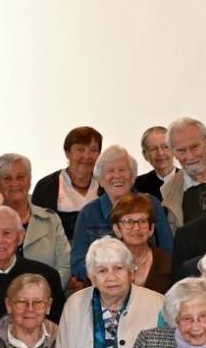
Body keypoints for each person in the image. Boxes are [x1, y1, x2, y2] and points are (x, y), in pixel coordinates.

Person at [71, 146, 175, 284]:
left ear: (133, 177)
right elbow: (78, 263)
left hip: (152, 282)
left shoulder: (152, 204)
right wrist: (106, 276)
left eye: (122, 170)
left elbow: (168, 250)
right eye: (110, 171)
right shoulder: (89, 213)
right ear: (100, 180)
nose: (117, 175)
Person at [0, 153, 73, 287]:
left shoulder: (50, 220)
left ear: (29, 180)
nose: (15, 183)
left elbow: (65, 265)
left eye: (20, 177)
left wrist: (44, 295)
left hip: (45, 301)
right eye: (7, 178)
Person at [32, 125, 103, 238]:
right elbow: (36, 232)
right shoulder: (45, 187)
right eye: (80, 149)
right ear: (67, 153)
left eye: (93, 150)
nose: (87, 155)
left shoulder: (106, 186)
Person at [163, 117, 206, 229]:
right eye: (181, 151)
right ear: (173, 152)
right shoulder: (168, 191)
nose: (190, 156)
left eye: (194, 147)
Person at [107, 193, 173, 294]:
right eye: (128, 222)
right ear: (117, 229)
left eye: (142, 221)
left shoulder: (168, 263)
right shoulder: (104, 262)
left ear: (151, 228)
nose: (137, 228)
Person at [135, 125, 177, 202]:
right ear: (145, 155)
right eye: (153, 149)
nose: (160, 153)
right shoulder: (136, 186)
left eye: (165, 147)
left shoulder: (189, 180)